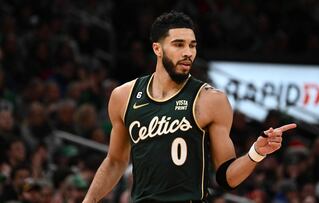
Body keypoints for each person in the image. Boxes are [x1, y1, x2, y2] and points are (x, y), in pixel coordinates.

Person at [82, 10, 297, 203]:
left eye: (192, 45)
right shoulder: (123, 96)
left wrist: (256, 153)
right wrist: (89, 200)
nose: (188, 52)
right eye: (179, 44)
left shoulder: (211, 100)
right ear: (157, 48)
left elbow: (226, 179)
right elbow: (115, 161)